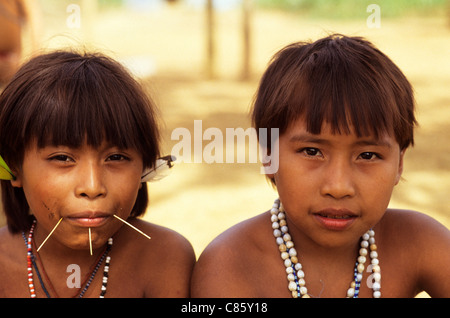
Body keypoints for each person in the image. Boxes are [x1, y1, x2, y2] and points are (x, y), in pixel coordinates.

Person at [191, 34, 450, 298]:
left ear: (400, 164)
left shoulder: (417, 242)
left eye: (368, 155)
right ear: (268, 155)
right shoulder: (231, 265)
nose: (338, 187)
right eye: (312, 151)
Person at [0, 50, 195, 298]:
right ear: (13, 167)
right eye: (62, 158)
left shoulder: (165, 259)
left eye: (116, 158)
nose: (92, 187)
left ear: (144, 168)